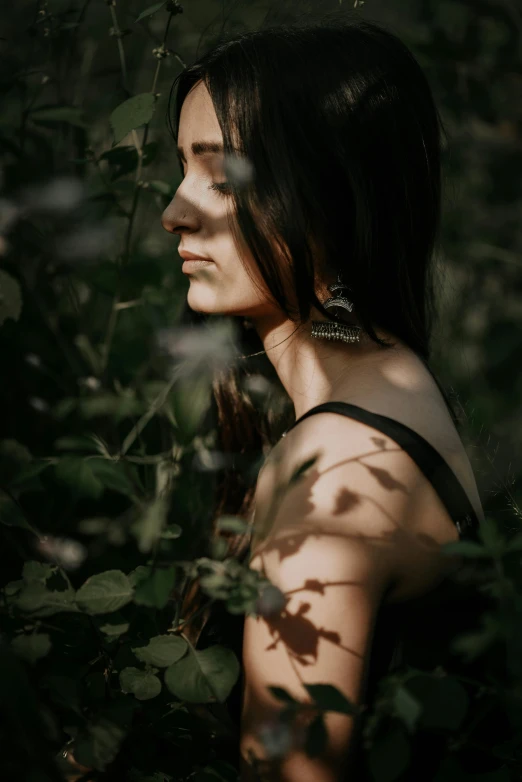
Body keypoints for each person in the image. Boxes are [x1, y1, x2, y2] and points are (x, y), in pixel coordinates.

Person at [161, 16, 486, 781]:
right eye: (180, 169)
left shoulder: (333, 469)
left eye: (221, 175)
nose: (175, 210)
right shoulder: (400, 382)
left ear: (329, 194)